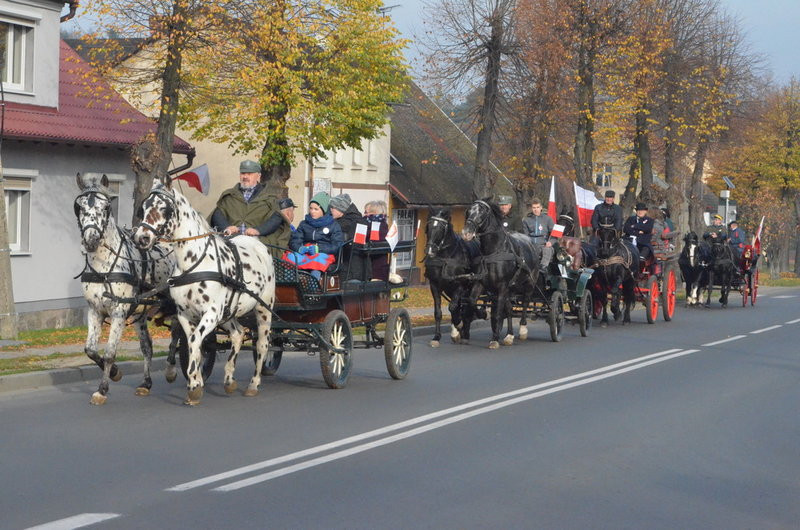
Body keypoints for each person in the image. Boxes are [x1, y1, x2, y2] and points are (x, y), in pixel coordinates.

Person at [210, 160, 285, 253]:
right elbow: (218, 214)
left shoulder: (270, 197)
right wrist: (226, 227)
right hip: (229, 242)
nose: (245, 177)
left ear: (258, 176)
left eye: (249, 174)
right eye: (243, 173)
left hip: (259, 243)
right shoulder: (229, 195)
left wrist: (258, 230)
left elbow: (276, 218)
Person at [288, 192, 344, 278]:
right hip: (306, 252)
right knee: (291, 258)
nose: (312, 211)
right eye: (311, 208)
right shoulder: (304, 224)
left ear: (324, 210)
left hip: (324, 253)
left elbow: (337, 245)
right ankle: (290, 286)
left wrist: (319, 248)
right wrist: (299, 248)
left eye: (316, 209)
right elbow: (295, 240)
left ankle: (313, 287)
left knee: (316, 263)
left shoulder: (333, 225)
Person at [330, 193, 368, 281]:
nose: (331, 210)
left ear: (341, 209)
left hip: (352, 270)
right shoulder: (339, 222)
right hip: (348, 267)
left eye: (333, 207)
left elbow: (358, 246)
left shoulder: (356, 223)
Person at [522, 198, 555, 271]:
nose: (536, 209)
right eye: (534, 208)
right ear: (531, 208)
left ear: (541, 208)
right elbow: (525, 235)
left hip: (544, 245)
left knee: (547, 250)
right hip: (532, 245)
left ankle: (542, 268)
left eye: (537, 207)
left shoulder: (548, 219)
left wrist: (551, 242)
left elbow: (554, 235)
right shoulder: (526, 220)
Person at [364, 200, 390, 281]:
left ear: (374, 212)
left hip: (373, 269)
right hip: (381, 268)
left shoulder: (372, 227)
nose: (364, 214)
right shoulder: (384, 225)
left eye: (366, 212)